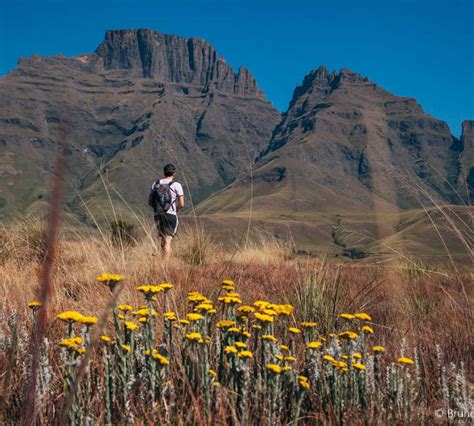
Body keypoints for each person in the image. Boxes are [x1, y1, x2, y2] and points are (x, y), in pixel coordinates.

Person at [148, 163, 185, 258]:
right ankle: (165, 265)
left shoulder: (155, 184)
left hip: (158, 214)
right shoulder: (176, 185)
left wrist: (158, 208)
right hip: (171, 215)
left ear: (164, 173)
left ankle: (161, 260)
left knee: (163, 238)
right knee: (168, 240)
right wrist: (176, 209)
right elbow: (181, 204)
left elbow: (150, 202)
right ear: (174, 173)